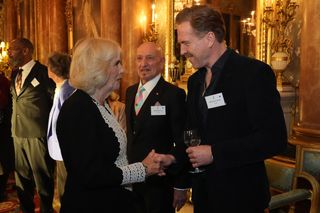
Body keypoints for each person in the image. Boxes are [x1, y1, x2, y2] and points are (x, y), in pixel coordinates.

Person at [157, 5, 288, 213]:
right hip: (204, 196)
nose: (181, 51)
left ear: (209, 39)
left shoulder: (253, 73)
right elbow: (192, 133)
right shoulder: (195, 81)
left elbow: (274, 138)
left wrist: (215, 153)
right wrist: (173, 157)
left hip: (241, 197)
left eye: (185, 43)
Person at [56, 38, 161, 213]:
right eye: (117, 63)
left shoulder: (99, 103)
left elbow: (108, 158)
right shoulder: (78, 108)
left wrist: (146, 165)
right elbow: (90, 174)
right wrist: (142, 169)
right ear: (97, 68)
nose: (123, 70)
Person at [125, 42, 189, 213]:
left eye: (150, 58)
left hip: (160, 183)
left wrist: (181, 185)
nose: (143, 64)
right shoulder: (130, 92)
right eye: (139, 58)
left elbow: (183, 142)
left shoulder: (173, 95)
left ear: (161, 62)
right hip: (133, 178)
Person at [8, 38, 55, 213]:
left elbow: (55, 102)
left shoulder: (44, 73)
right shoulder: (15, 74)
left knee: (43, 180)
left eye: (13, 49)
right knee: (22, 180)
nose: (9, 52)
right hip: (17, 133)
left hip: (38, 134)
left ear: (26, 51)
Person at [47, 52, 75, 203]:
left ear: (53, 69)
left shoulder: (68, 90)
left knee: (66, 190)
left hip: (65, 149)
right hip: (60, 148)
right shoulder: (61, 87)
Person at [0, 72, 14, 202]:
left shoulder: (4, 81)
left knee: (3, 160)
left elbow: (5, 102)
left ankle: (1, 190)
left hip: (3, 127)